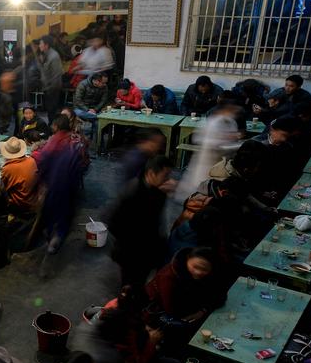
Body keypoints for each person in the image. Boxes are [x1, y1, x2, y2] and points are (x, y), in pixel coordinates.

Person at [108, 155, 173, 287]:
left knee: (140, 282)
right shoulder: (132, 192)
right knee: (131, 285)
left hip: (147, 250)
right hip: (132, 254)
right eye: (165, 175)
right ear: (151, 173)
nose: (168, 179)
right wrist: (132, 242)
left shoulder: (158, 190)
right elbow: (113, 223)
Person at [145, 246, 226, 347]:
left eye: (204, 269)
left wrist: (202, 311)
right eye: (195, 267)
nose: (198, 272)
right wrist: (202, 306)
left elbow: (220, 294)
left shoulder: (212, 273)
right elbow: (172, 309)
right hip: (160, 315)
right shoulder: (169, 277)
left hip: (194, 310)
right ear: (187, 260)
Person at [33, 115, 85, 253]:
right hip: (70, 181)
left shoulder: (53, 142)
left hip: (55, 181)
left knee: (51, 210)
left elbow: (43, 161)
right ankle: (59, 235)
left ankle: (51, 235)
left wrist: (41, 182)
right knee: (65, 210)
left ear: (56, 126)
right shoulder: (75, 139)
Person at [0, 136, 42, 217]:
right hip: (34, 198)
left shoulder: (8, 168)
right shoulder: (31, 160)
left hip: (22, 204)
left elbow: (4, 187)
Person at [73, 72, 109, 139]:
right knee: (80, 113)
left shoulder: (104, 87)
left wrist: (95, 109)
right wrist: (88, 110)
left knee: (98, 123)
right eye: (103, 82)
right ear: (96, 81)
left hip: (95, 110)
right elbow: (78, 100)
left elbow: (103, 100)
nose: (105, 84)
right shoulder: (83, 84)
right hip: (81, 109)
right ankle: (98, 117)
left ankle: (99, 146)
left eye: (105, 82)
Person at [38, 35, 63, 119]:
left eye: (41, 43)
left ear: (46, 45)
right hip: (47, 87)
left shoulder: (54, 56)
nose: (39, 45)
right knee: (49, 110)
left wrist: (50, 88)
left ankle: (53, 128)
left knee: (52, 110)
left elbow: (57, 74)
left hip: (52, 88)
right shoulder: (45, 54)